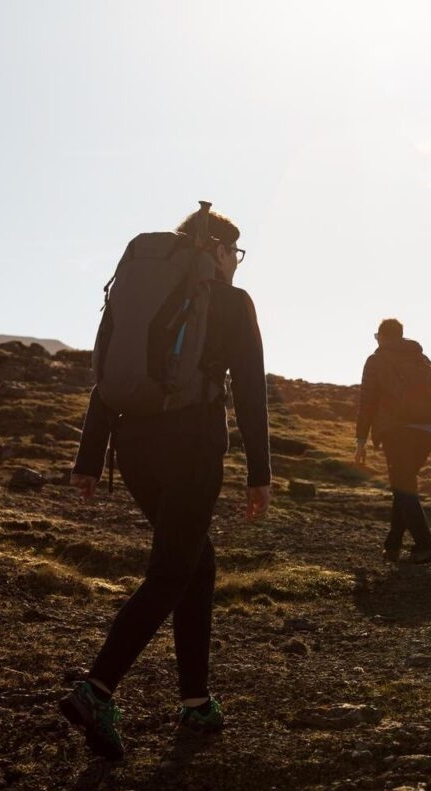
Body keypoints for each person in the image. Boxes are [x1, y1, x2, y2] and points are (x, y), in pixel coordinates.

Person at [59, 206, 271, 760]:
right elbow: (250, 391)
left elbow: (109, 374)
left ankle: (196, 703)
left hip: (132, 448)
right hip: (193, 448)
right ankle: (96, 689)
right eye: (236, 254)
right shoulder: (231, 301)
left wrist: (87, 459)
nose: (236, 265)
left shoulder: (137, 291)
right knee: (171, 571)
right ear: (220, 251)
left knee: (196, 564)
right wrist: (260, 473)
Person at [355, 318, 431, 564]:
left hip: (396, 431)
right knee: (403, 486)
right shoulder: (421, 359)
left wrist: (361, 440)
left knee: (403, 488)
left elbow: (367, 402)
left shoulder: (377, 360)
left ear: (381, 336)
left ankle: (424, 546)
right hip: (426, 432)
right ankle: (393, 545)